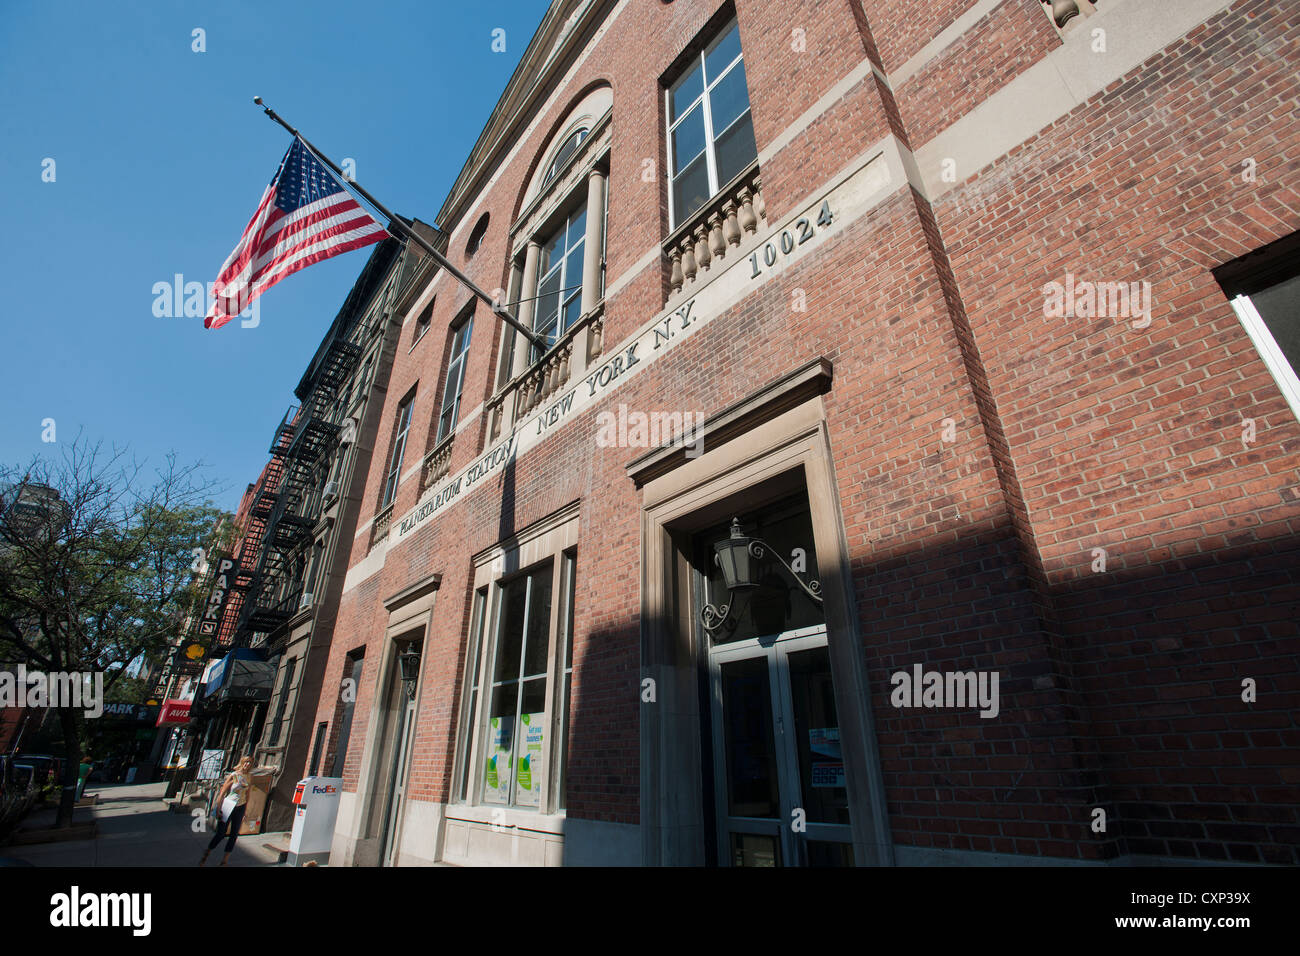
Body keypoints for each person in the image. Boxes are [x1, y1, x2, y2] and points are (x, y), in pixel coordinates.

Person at [199, 756, 253, 866]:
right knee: (221, 834)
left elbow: (248, 794)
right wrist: (218, 809)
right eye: (246, 762)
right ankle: (207, 853)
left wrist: (245, 811)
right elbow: (222, 793)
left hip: (240, 807)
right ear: (242, 762)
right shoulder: (234, 775)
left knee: (234, 835)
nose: (248, 764)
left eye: (250, 763)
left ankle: (224, 861)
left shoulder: (249, 777)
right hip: (229, 806)